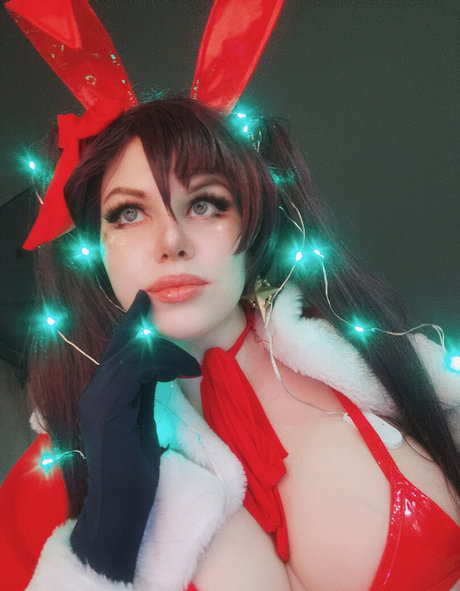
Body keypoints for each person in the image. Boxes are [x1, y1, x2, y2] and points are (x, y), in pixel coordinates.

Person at [0, 96, 459, 591]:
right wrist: (103, 543)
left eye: (204, 204)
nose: (171, 241)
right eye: (128, 213)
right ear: (94, 248)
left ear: (253, 222)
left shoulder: (381, 358)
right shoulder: (49, 477)